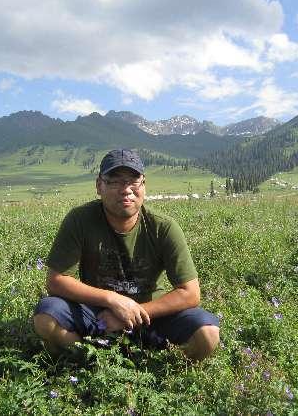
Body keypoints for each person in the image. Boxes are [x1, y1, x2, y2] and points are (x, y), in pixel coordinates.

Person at [33, 149, 220, 360]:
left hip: (151, 316)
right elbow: (56, 280)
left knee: (207, 334)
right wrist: (112, 300)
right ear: (99, 186)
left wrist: (133, 312)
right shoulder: (80, 220)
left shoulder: (164, 227)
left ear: (144, 185)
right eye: (115, 182)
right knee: (45, 318)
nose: (126, 190)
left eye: (133, 181)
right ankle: (92, 358)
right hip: (98, 315)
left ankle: (155, 365)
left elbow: (191, 293)